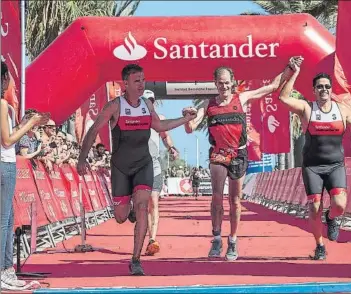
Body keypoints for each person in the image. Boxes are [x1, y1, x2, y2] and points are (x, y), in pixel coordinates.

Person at [77, 64, 196, 276]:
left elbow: (160, 127)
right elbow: (94, 129)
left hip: (144, 163)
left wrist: (185, 120)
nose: (142, 85)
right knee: (121, 217)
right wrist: (81, 159)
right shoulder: (114, 106)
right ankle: (128, 208)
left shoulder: (147, 107)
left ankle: (136, 260)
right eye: (137, 81)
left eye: (143, 80)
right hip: (121, 167)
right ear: (126, 84)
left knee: (143, 207)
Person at [184, 61, 296, 261]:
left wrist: (288, 69)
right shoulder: (208, 105)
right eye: (220, 83)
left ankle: (233, 240)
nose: (224, 87)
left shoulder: (241, 98)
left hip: (238, 154)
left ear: (232, 83)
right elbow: (191, 127)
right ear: (215, 83)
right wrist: (186, 118)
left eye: (227, 83)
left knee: (235, 201)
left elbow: (270, 87)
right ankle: (217, 237)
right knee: (217, 197)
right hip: (218, 154)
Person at [278, 57, 351, 260]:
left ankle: (331, 218)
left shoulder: (341, 110)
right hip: (313, 167)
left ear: (330, 90)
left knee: (340, 205)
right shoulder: (307, 109)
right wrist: (294, 73)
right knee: (314, 205)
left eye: (326, 87)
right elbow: (283, 98)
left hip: (335, 165)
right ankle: (319, 245)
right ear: (314, 90)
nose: (323, 90)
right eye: (319, 87)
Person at [1, 61, 50, 289]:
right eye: (8, 78)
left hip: (6, 165)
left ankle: (7, 270)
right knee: (4, 222)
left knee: (8, 221)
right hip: (5, 165)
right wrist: (29, 122)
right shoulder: (2, 105)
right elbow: (9, 140)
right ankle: (3, 271)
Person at [136, 89, 179, 256]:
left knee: (153, 201)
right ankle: (147, 236)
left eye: (152, 101)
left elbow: (165, 137)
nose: (150, 104)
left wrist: (172, 149)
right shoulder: (135, 119)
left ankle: (152, 240)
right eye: (147, 101)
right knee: (145, 204)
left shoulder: (159, 119)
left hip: (154, 165)